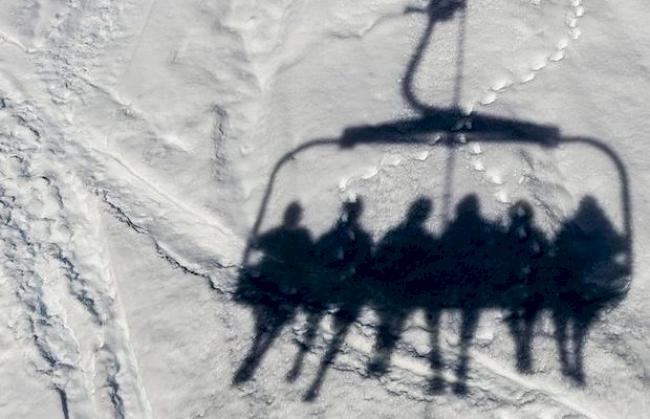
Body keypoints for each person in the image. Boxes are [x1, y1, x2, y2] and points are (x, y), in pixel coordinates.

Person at [233, 202, 314, 383]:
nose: (290, 218)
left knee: (275, 325)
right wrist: (254, 241)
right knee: (263, 322)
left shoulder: (303, 238)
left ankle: (257, 353)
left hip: (287, 290)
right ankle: (256, 348)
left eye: (293, 215)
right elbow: (259, 244)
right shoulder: (278, 233)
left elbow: (309, 262)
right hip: (271, 286)